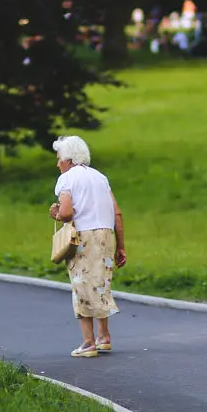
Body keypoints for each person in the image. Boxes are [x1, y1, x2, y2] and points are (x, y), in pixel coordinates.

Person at [49, 136, 126, 358]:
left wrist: (55, 213)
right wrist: (121, 246)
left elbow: (65, 213)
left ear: (68, 159)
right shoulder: (100, 177)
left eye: (58, 159)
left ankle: (88, 343)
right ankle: (104, 338)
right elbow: (117, 213)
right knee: (100, 284)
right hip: (106, 235)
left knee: (81, 285)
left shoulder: (66, 179)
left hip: (83, 238)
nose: (57, 164)